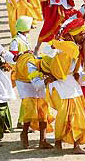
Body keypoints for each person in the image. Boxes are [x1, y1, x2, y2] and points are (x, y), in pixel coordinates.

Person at [46, 20, 85, 154]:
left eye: (84, 34)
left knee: (77, 116)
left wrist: (81, 74)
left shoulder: (73, 47)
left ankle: (75, 145)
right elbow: (53, 64)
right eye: (80, 34)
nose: (83, 36)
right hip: (62, 88)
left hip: (72, 87)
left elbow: (74, 70)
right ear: (72, 35)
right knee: (63, 116)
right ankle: (58, 142)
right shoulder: (66, 47)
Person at [11, 16, 55, 149]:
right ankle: (24, 134)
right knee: (30, 108)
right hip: (23, 80)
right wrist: (47, 79)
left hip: (34, 75)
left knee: (43, 107)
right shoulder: (16, 42)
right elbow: (13, 59)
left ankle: (43, 140)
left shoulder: (26, 42)